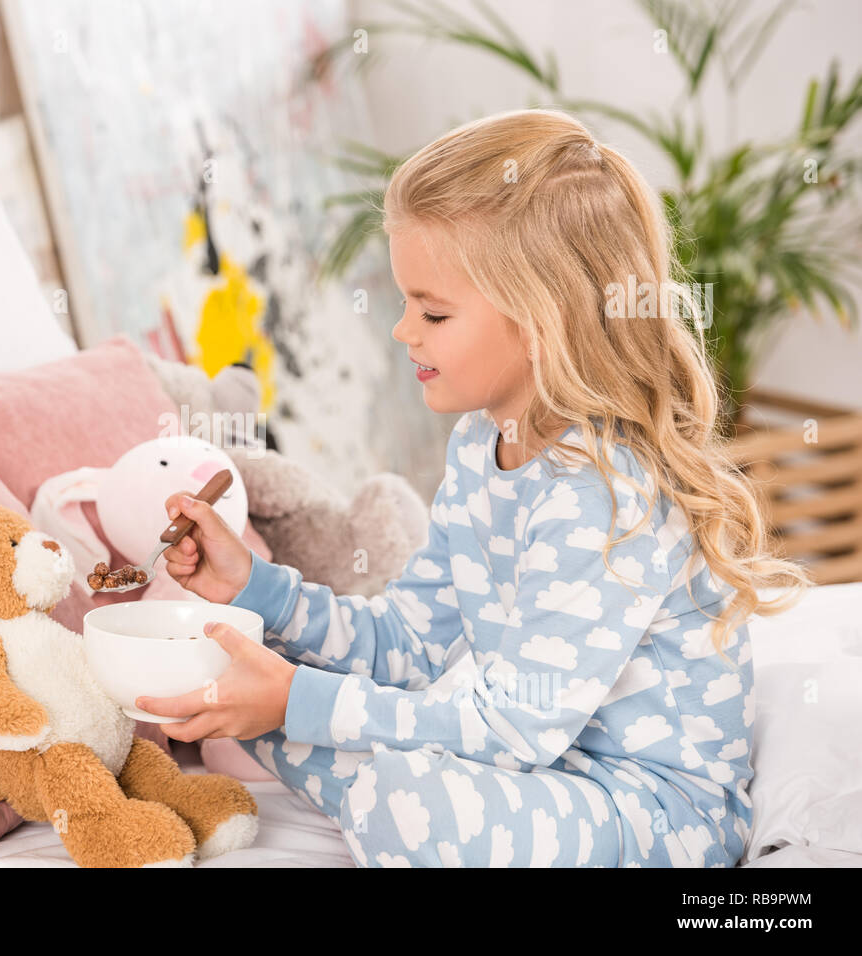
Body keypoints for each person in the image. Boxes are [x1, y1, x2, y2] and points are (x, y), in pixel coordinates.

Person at [136, 108, 809, 868]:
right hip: (544, 773)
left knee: (378, 777)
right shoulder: (480, 446)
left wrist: (303, 700)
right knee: (256, 711)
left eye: (433, 310)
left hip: (652, 815)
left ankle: (371, 801)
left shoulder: (604, 488)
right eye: (404, 303)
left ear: (541, 320)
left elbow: (514, 724)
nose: (403, 331)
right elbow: (411, 644)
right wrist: (258, 589)